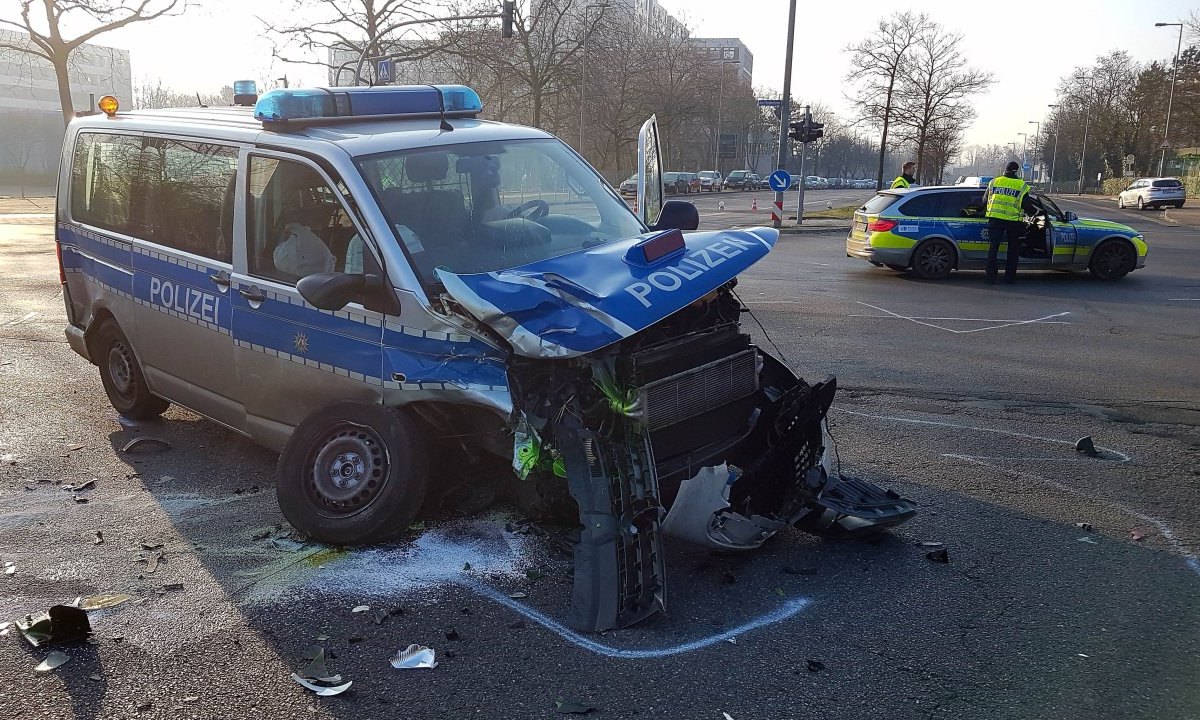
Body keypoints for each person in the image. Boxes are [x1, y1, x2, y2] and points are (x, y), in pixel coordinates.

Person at [982, 161, 1031, 285]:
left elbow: (984, 201)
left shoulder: (994, 182)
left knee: (993, 249)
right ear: (1017, 171)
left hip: (995, 219)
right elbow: (1027, 205)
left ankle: (990, 277)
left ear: (1005, 170)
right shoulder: (1022, 185)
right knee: (1013, 250)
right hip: (1013, 222)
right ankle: (1009, 278)